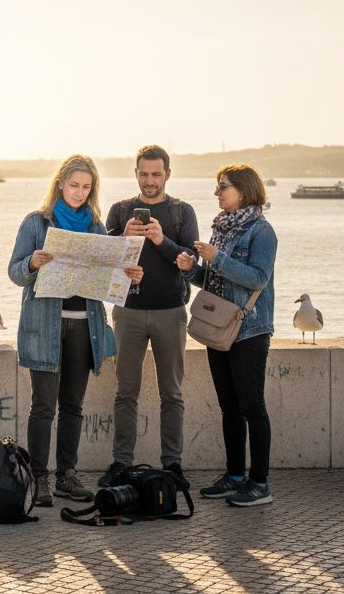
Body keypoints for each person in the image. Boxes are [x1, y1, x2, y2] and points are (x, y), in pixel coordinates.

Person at [8, 155, 142, 506]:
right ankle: (39, 479)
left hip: (86, 328)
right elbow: (15, 273)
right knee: (43, 407)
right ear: (60, 185)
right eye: (74, 185)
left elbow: (105, 282)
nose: (80, 192)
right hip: (45, 327)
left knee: (73, 406)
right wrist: (32, 263)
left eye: (86, 187)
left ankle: (66, 475)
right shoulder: (36, 223)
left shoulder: (97, 228)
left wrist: (126, 276)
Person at [176, 164, 278, 507]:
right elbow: (216, 282)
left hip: (249, 330)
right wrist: (194, 271)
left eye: (223, 187)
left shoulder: (261, 232)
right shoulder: (222, 228)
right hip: (219, 327)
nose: (216, 193)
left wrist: (216, 258)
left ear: (243, 190)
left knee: (252, 407)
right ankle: (235, 475)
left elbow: (257, 279)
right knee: (229, 408)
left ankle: (259, 482)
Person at [98, 145, 198, 486]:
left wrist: (161, 241)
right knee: (126, 392)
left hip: (171, 312)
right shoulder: (119, 211)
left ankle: (173, 465)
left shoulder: (182, 212)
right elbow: (101, 260)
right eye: (144, 174)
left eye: (156, 174)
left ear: (168, 174)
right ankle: (121, 463)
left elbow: (190, 261)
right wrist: (124, 238)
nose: (150, 180)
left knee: (172, 393)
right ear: (136, 173)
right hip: (127, 312)